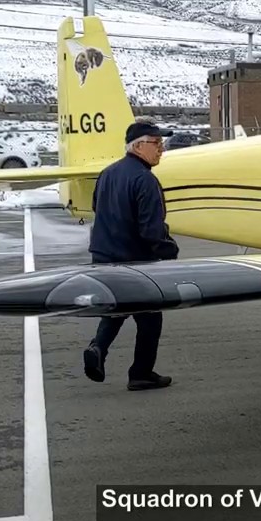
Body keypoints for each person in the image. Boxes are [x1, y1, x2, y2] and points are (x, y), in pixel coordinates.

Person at [82, 121, 179, 391]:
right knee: (150, 318)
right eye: (156, 144)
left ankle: (98, 348)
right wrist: (169, 249)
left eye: (162, 144)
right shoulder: (145, 180)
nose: (161, 150)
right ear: (138, 146)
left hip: (102, 254)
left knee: (116, 308)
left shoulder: (107, 173)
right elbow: (151, 230)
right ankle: (141, 373)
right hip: (135, 260)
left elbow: (95, 207)